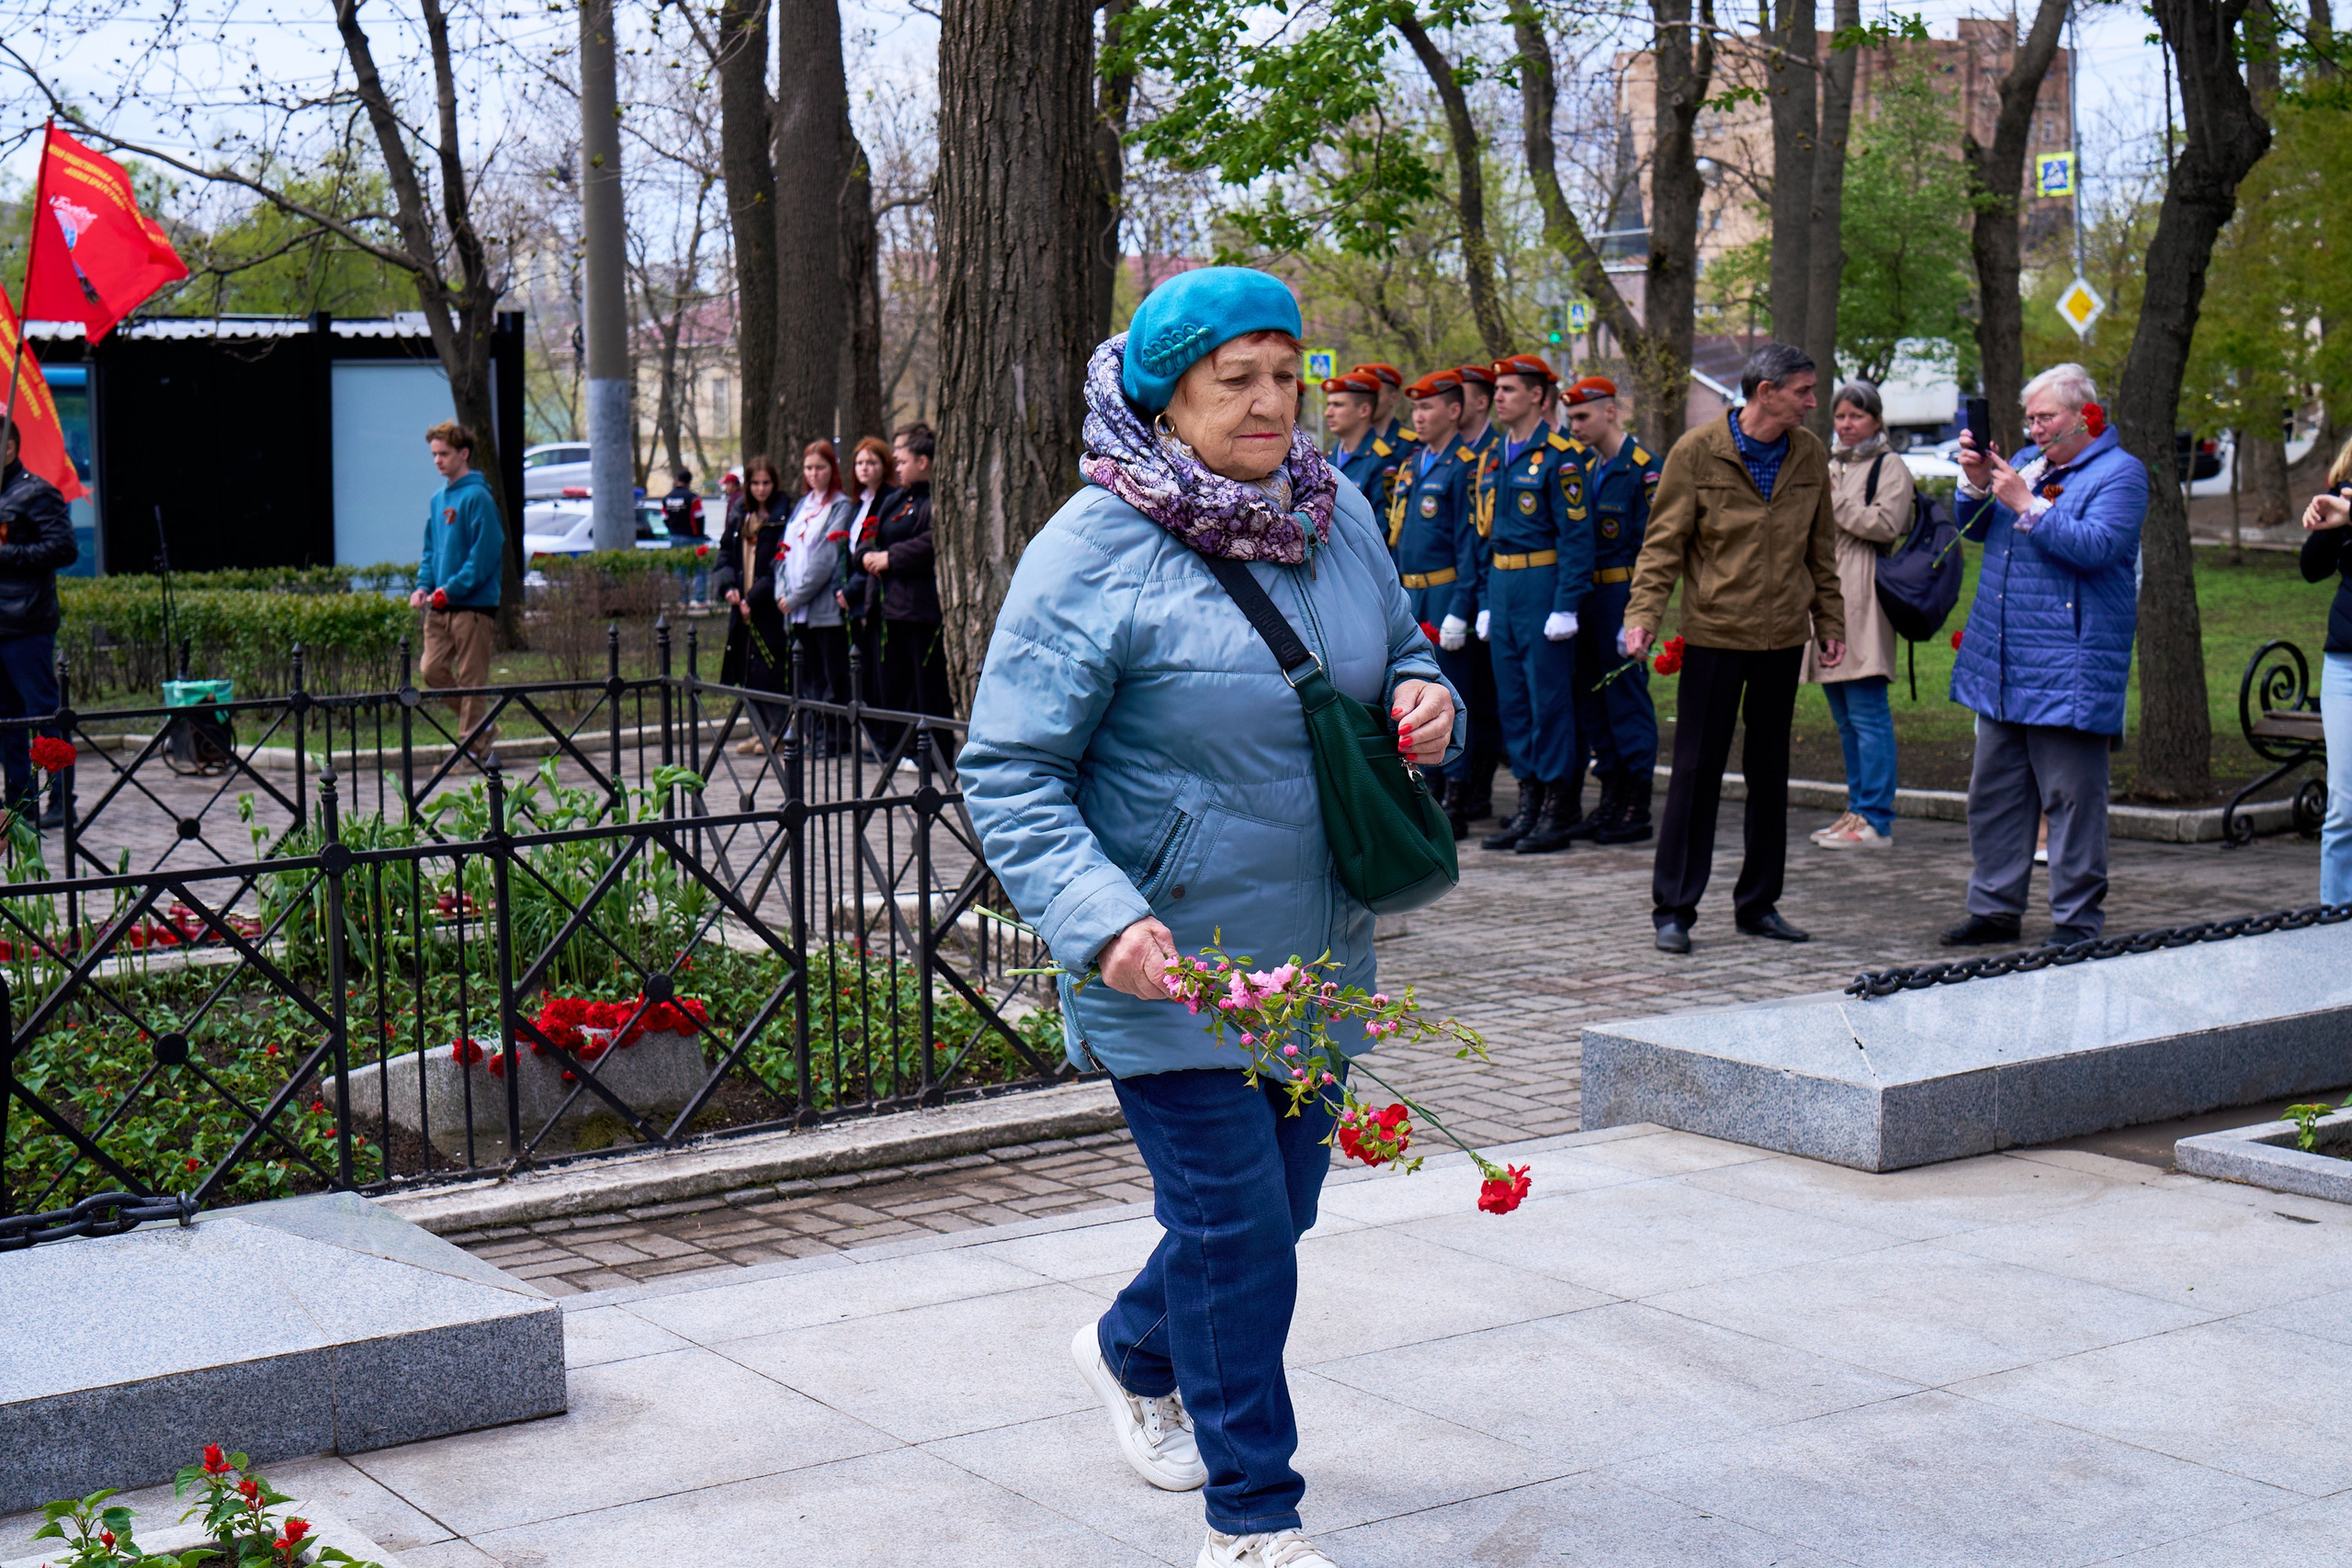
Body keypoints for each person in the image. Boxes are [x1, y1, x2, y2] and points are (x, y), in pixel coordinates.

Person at [960, 265, 1460, 1568]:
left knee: (1274, 1213)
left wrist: (1427, 698)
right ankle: (1254, 1519)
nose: (1268, 402)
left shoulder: (1334, 509)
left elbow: (1397, 647)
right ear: (1165, 395)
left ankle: (1131, 1346)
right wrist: (1099, 919)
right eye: (1234, 379)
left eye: (1284, 375)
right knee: (1240, 1228)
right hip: (1165, 958)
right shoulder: (1090, 546)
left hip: (1318, 945)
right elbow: (1008, 768)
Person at [1624, 343, 1845, 953]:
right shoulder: (1698, 452)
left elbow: (1820, 549)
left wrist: (1831, 621)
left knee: (1770, 774)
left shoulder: (1809, 453)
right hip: (1717, 634)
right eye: (1802, 390)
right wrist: (1643, 615)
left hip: (1782, 638)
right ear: (1765, 391)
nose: (1811, 401)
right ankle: (1674, 908)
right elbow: (1663, 544)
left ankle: (1759, 903)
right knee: (1696, 772)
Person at [1941, 363, 2148, 948]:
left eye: (2045, 417)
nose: (2034, 428)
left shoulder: (2120, 474)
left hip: (2068, 661)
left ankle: (2078, 922)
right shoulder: (2034, 467)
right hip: (2005, 660)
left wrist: (2028, 504)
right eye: (2029, 418)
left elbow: (2099, 548)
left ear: (2084, 415)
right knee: (1996, 793)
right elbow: (1976, 531)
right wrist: (1980, 482)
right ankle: (1994, 909)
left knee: (2071, 798)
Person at [1476, 354, 1591, 854]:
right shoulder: (1495, 455)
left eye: (1510, 389)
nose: (1499, 396)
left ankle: (1557, 806)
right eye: (1498, 389)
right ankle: (1527, 800)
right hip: (1503, 586)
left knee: (1550, 700)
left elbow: (1578, 537)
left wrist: (1566, 604)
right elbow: (1482, 535)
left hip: (1543, 584)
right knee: (1514, 701)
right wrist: (1483, 600)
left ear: (1539, 397)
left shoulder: (1561, 456)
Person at [1804, 380, 1913, 851]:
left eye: (1857, 416)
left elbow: (1887, 524)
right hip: (1828, 596)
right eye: (1841, 416)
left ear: (1876, 420)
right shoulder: (1831, 464)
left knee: (1868, 713)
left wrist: (1835, 497)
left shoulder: (1889, 466)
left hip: (1865, 597)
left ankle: (1877, 819)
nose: (1847, 425)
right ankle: (1856, 812)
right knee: (1845, 717)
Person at [1558, 377, 1665, 845]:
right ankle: (1610, 799)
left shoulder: (1644, 470)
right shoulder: (1581, 465)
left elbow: (1655, 549)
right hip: (1588, 601)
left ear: (1610, 412)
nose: (1575, 427)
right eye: (1571, 418)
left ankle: (1635, 804)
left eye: (1582, 417)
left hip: (1623, 598)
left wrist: (1639, 616)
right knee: (1594, 703)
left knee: (1626, 700)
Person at [1388, 369, 1491, 837]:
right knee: (1415, 691)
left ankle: (1459, 791)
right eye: (1415, 408)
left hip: (1448, 588)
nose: (1419, 416)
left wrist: (1462, 605)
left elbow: (1470, 541)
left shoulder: (1467, 465)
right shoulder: (1413, 463)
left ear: (1454, 411)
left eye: (1428, 407)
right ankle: (1426, 786)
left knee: (1452, 691)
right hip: (1414, 591)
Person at [409, 421, 505, 760]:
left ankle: (471, 751)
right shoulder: (438, 500)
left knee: (471, 680)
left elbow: (487, 552)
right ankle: (483, 727)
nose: (437, 460)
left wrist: (452, 588)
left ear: (463, 454)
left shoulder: (478, 497)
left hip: (473, 607)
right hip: (440, 606)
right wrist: (423, 587)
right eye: (434, 454)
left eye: (444, 454)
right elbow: (431, 551)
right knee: (431, 671)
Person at [0, 420, 77, 826]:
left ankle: (62, 801)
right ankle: (20, 804)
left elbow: (64, 548)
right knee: (7, 724)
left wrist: (6, 554)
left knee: (44, 719)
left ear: (10, 447)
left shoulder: (37, 492)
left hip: (26, 624)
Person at [863, 423, 952, 723]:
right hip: (889, 608)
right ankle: (901, 748)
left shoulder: (936, 500)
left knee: (926, 686)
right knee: (895, 686)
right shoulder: (896, 498)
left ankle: (930, 753)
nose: (897, 468)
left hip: (920, 609)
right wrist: (867, 554)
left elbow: (933, 541)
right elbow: (869, 532)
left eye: (902, 462)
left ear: (922, 462)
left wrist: (891, 557)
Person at [775, 441, 854, 756]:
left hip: (821, 609)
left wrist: (796, 595)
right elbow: (783, 552)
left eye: (820, 468)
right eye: (809, 468)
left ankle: (834, 740)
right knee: (806, 677)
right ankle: (813, 737)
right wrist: (782, 592)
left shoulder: (841, 506)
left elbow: (826, 557)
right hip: (795, 609)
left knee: (829, 677)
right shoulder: (802, 505)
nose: (814, 474)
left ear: (831, 469)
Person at [2301, 436, 2352, 902]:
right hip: (2346, 665)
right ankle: (2333, 922)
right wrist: (2327, 525)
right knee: (2344, 806)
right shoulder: (2347, 492)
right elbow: (2312, 570)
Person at [713, 455, 792, 753]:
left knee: (770, 668)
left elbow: (779, 564)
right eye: (756, 483)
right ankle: (759, 730)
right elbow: (724, 556)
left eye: (766, 483)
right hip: (741, 604)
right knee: (746, 669)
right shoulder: (739, 514)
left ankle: (777, 731)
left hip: (767, 606)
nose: (761, 489)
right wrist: (729, 588)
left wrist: (753, 597)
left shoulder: (783, 515)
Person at [836, 435, 896, 716]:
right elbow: (848, 551)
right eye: (859, 462)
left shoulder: (889, 500)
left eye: (871, 462)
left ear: (885, 465)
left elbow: (876, 552)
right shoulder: (856, 504)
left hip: (874, 597)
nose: (864, 468)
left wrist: (852, 590)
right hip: (852, 598)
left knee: (877, 668)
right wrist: (842, 587)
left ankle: (886, 737)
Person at [1321, 372, 1396, 520]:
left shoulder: (1381, 461)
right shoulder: (1328, 459)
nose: (1328, 413)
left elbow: (1383, 526)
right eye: (1329, 404)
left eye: (1338, 405)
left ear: (1364, 410)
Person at [658, 466, 702, 542]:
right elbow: (699, 517)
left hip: (674, 536)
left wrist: (672, 529)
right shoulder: (693, 498)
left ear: (677, 480)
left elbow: (664, 517)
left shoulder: (666, 498)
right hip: (691, 537)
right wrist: (700, 536)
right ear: (690, 481)